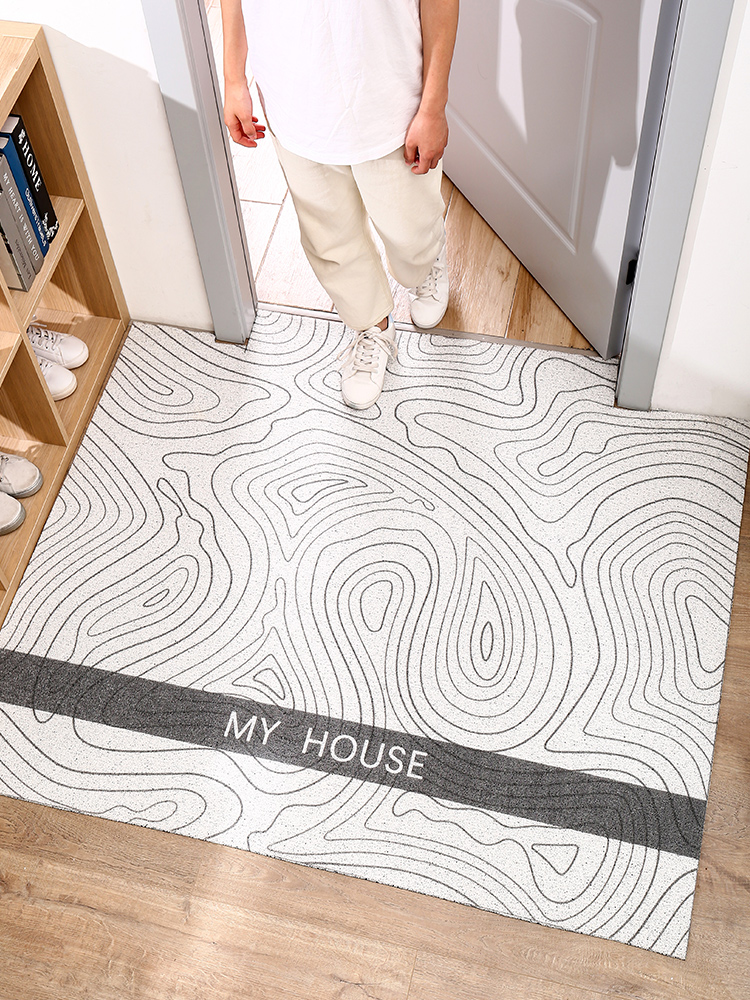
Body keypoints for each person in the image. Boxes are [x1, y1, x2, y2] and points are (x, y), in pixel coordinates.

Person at [220, 0, 459, 409]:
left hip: (389, 93)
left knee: (410, 227)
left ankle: (425, 259)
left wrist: (434, 107)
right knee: (330, 239)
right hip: (292, 94)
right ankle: (372, 325)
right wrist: (233, 78)